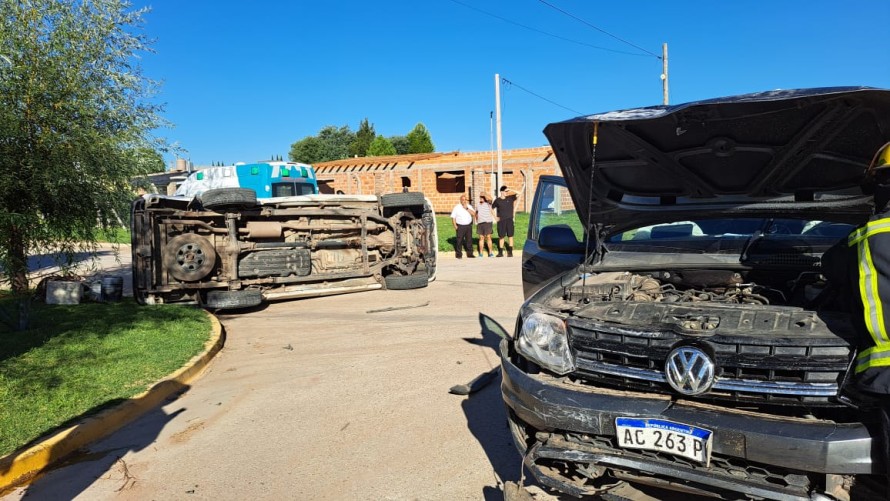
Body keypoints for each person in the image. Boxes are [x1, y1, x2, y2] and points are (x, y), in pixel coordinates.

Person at [491, 185, 518, 257]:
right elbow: (491, 209)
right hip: (501, 221)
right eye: (506, 191)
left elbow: (519, 193)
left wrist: (510, 189)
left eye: (507, 191)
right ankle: (500, 252)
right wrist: (495, 217)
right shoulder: (497, 200)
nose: (507, 192)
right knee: (501, 236)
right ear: (501, 192)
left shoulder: (510, 198)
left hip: (509, 220)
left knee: (510, 236)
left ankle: (510, 252)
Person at [450, 194, 476, 259]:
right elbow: (453, 218)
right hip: (460, 226)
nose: (464, 201)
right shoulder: (457, 207)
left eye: (465, 200)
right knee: (459, 241)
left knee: (469, 240)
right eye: (462, 200)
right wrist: (455, 226)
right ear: (460, 200)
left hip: (468, 226)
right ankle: (459, 254)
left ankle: (470, 254)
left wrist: (467, 208)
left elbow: (474, 214)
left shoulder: (469, 206)